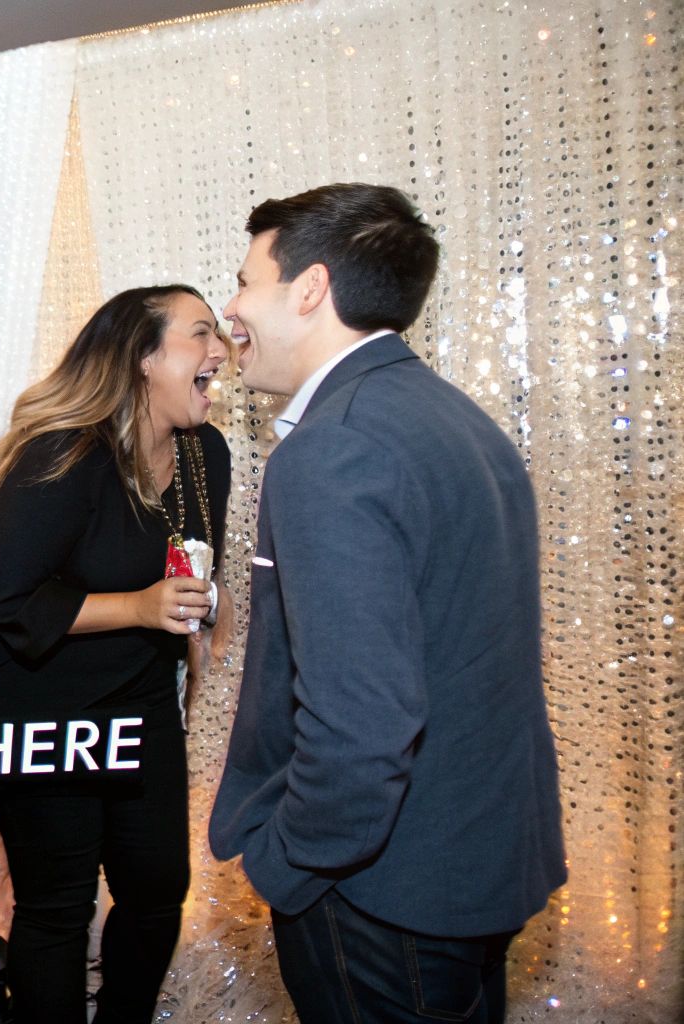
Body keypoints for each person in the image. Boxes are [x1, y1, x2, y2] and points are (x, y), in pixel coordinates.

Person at [207, 183, 565, 1024]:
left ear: (309, 290)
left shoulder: (334, 447)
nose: (231, 307)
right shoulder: (457, 421)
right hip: (476, 861)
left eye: (245, 279)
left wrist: (293, 864)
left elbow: (362, 721)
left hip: (383, 889)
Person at [0, 285, 233, 1022]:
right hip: (38, 705)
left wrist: (198, 617)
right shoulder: (62, 456)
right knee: (58, 910)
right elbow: (6, 600)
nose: (219, 351)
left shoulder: (205, 455)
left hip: (139, 702)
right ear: (142, 358)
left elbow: (186, 568)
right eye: (199, 334)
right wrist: (138, 607)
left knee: (159, 892)